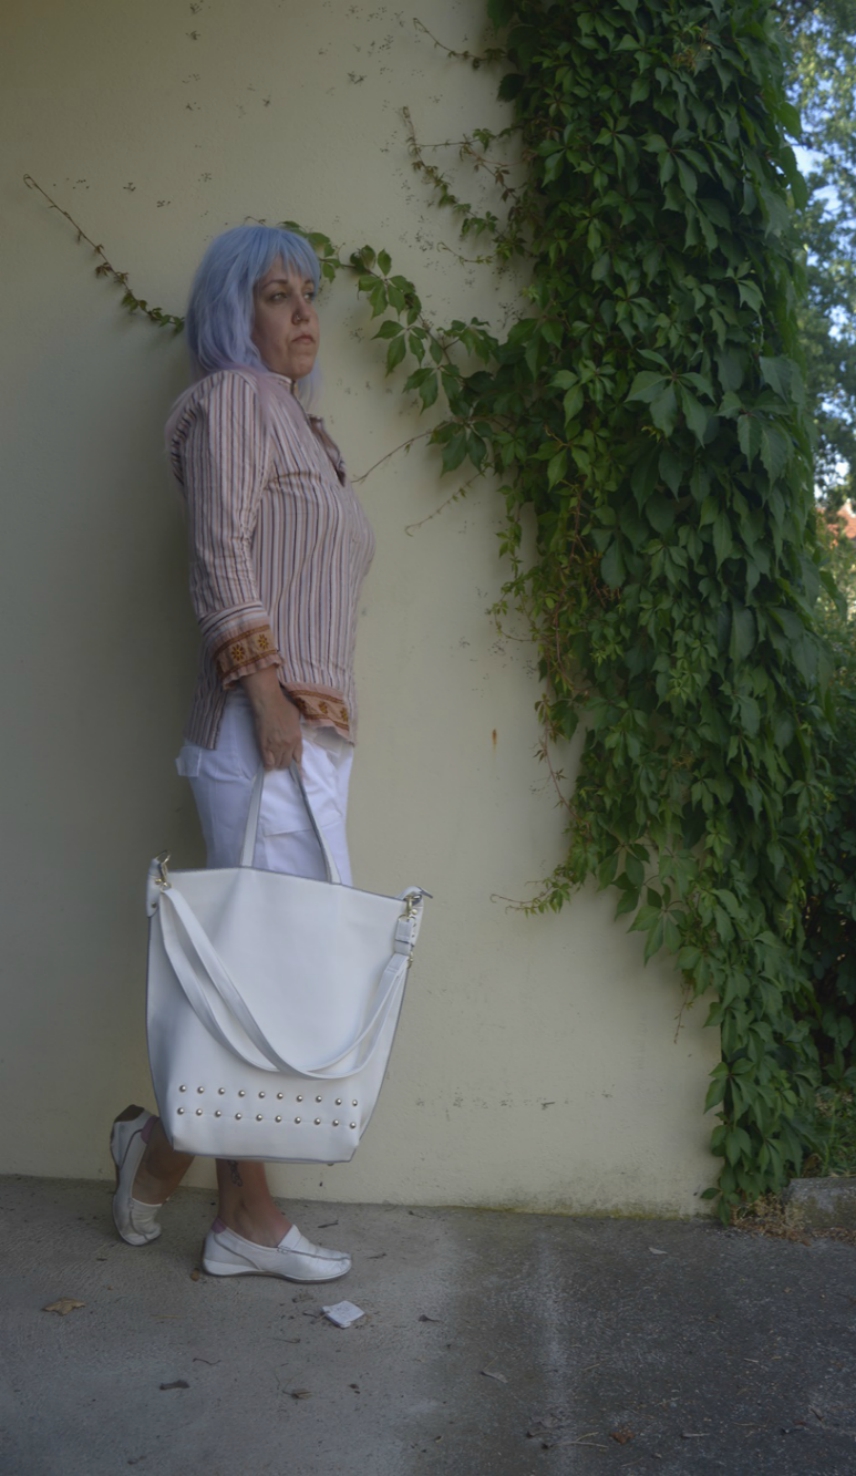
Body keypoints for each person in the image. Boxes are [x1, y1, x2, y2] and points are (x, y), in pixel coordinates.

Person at [109, 224, 375, 1282]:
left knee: (275, 971)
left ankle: (180, 1159)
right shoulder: (234, 403)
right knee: (261, 974)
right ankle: (234, 1205)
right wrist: (266, 699)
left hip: (309, 736)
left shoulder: (306, 428)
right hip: (260, 726)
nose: (304, 312)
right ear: (235, 314)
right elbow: (221, 556)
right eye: (277, 294)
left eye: (309, 292)